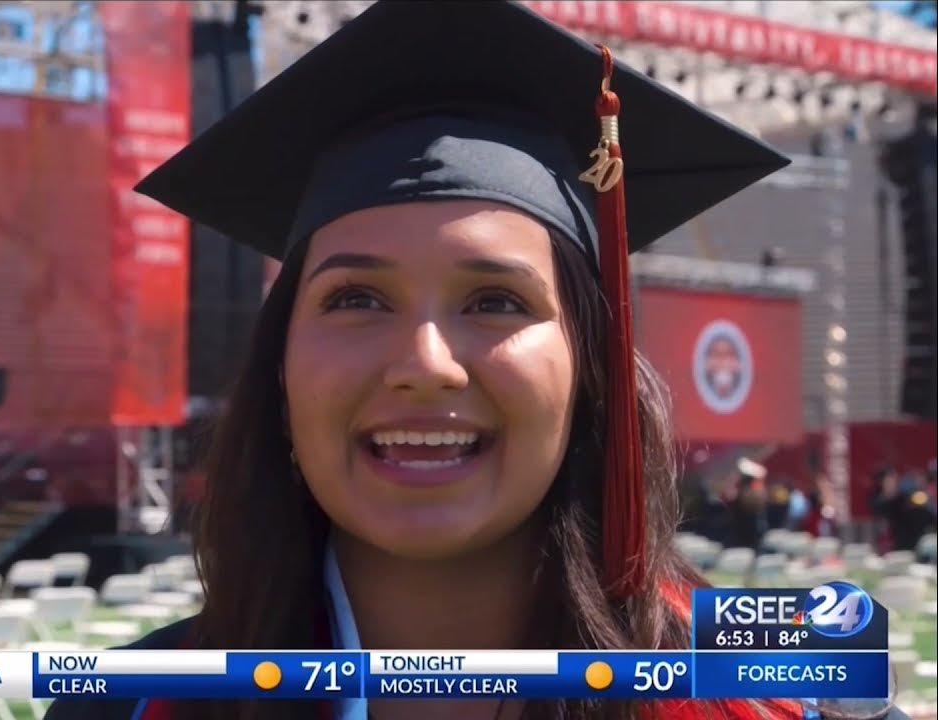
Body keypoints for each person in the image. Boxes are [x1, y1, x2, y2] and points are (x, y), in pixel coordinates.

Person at [48, 3, 903, 719]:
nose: (427, 364)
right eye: (356, 300)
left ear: (592, 368)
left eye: (497, 302)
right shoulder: (136, 703)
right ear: (279, 371)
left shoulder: (775, 689)